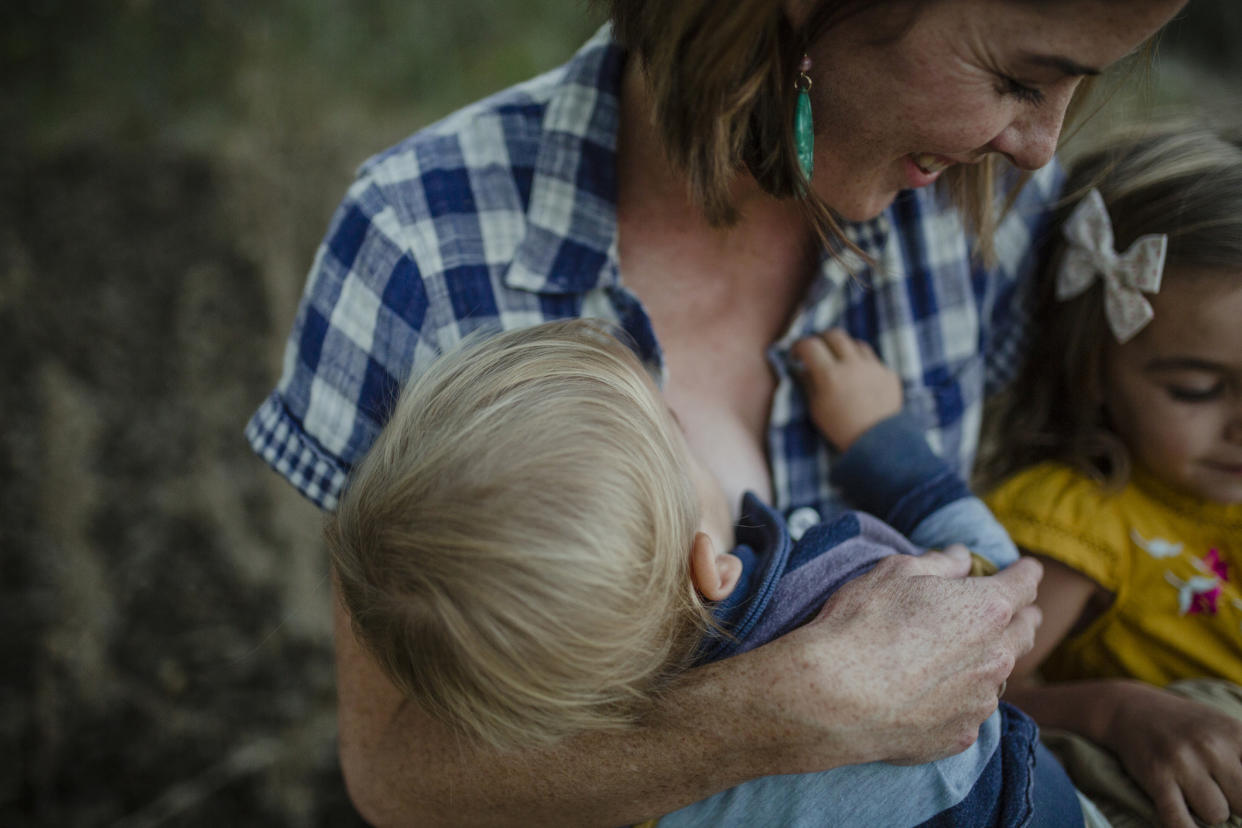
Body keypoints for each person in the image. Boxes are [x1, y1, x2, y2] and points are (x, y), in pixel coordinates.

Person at [246, 0, 1187, 823]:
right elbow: (395, 772)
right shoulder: (418, 244)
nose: (1040, 145)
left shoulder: (993, 204)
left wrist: (1108, 710)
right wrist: (779, 710)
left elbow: (1008, 632)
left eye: (1076, 85)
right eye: (1018, 77)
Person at [328, 317, 1073, 827]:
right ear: (709, 565)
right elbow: (999, 604)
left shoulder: (620, 795)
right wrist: (885, 444)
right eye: (678, 433)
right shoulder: (840, 580)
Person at [982, 123, 1242, 828]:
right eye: (1196, 389)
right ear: (1093, 367)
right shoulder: (1082, 519)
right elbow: (975, 692)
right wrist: (1117, 708)